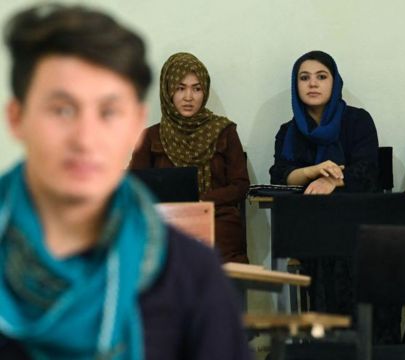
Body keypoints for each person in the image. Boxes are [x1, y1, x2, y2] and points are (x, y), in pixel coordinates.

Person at [0, 4, 251, 359]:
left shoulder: (193, 277)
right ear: (17, 118)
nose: (85, 136)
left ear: (135, 124)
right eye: (62, 109)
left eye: (108, 111)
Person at [129, 52, 250, 264]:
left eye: (197, 88)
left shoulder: (224, 131)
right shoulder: (151, 137)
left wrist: (202, 201)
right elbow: (135, 187)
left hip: (217, 221)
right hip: (166, 224)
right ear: (168, 90)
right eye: (180, 88)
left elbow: (240, 185)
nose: (188, 97)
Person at [269, 50, 379, 194]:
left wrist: (330, 180)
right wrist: (311, 172)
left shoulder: (357, 120)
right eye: (304, 78)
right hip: (303, 210)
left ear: (335, 82)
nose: (312, 84)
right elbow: (279, 177)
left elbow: (367, 171)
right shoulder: (288, 130)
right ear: (295, 85)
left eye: (321, 77)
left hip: (356, 209)